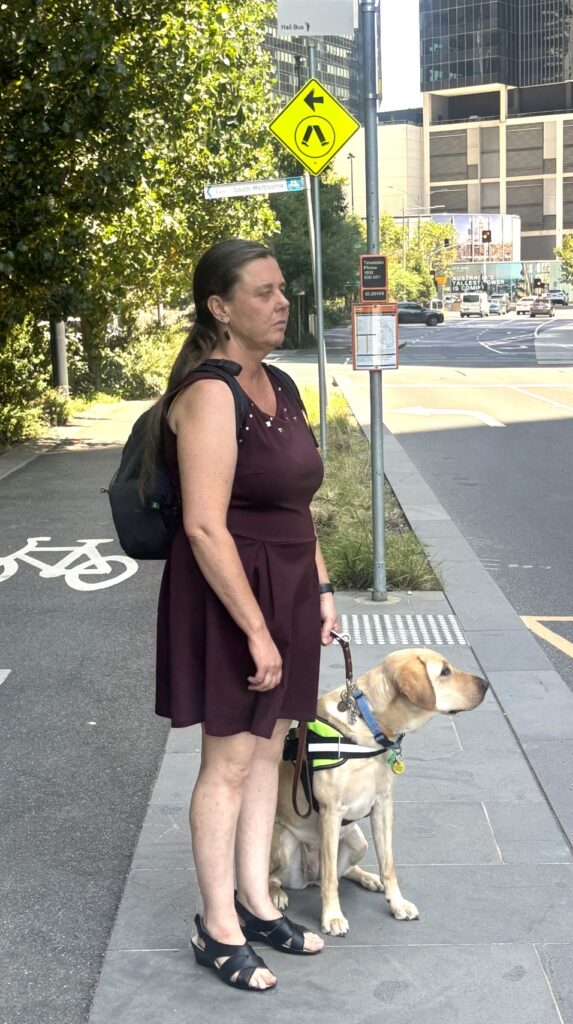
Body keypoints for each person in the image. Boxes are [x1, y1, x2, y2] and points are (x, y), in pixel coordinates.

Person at [148, 238, 338, 992]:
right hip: (233, 592)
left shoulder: (282, 386)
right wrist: (257, 628)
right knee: (228, 761)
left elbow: (300, 504)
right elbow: (202, 525)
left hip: (289, 583)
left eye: (283, 289)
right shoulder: (207, 394)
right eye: (263, 292)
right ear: (220, 309)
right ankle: (216, 924)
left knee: (271, 745)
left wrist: (320, 591)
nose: (282, 301)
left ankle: (258, 903)